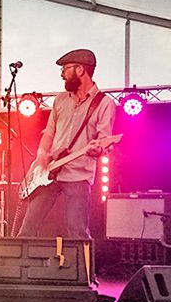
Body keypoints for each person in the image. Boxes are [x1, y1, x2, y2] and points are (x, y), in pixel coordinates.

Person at [17, 49, 116, 238]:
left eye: (65, 69)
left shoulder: (104, 103)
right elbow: (49, 133)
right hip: (49, 173)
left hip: (78, 175)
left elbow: (105, 141)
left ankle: (84, 259)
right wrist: (41, 155)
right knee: (27, 229)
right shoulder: (60, 99)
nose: (61, 74)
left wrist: (97, 150)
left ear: (80, 70)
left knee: (77, 232)